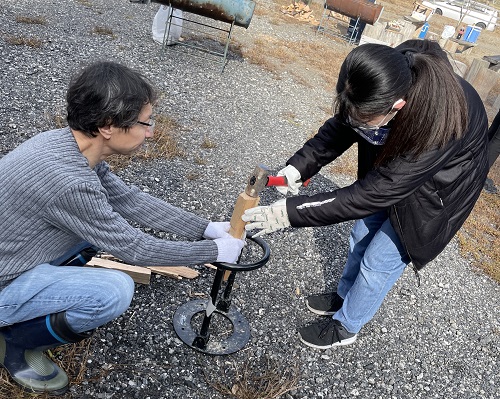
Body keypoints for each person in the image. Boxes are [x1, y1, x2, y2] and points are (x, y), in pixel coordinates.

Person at [0, 61, 245, 394]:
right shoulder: (70, 182)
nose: (151, 132)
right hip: (4, 282)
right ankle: (17, 345)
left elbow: (129, 200)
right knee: (113, 291)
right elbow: (136, 249)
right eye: (145, 123)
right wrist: (214, 251)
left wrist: (204, 228)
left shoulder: (68, 145)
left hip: (12, 257)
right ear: (107, 126)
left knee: (87, 240)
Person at [242, 40, 489, 349]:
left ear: (396, 107)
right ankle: (345, 296)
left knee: (378, 260)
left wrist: (289, 213)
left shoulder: (441, 119)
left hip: (436, 193)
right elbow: (343, 125)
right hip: (397, 170)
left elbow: (374, 192)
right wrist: (297, 169)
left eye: (365, 120)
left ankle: (348, 325)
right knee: (361, 233)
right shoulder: (389, 73)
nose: (358, 124)